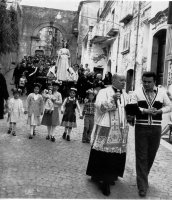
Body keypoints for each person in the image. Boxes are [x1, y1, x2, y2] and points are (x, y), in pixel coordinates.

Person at [126, 72, 172, 197]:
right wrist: (144, 110)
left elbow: (170, 105)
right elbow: (130, 108)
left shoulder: (162, 93)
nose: (146, 84)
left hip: (156, 128)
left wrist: (160, 111)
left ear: (154, 82)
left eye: (149, 82)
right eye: (144, 81)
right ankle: (142, 186)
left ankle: (143, 177)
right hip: (141, 127)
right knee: (141, 156)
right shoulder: (136, 93)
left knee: (151, 155)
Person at [86, 74, 130, 196]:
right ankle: (102, 179)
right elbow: (99, 107)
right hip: (106, 127)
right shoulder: (103, 92)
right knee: (103, 154)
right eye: (121, 80)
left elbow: (127, 110)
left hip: (120, 129)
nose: (123, 82)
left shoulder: (125, 94)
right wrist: (113, 100)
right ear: (114, 80)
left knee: (115, 155)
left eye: (124, 80)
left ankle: (112, 176)